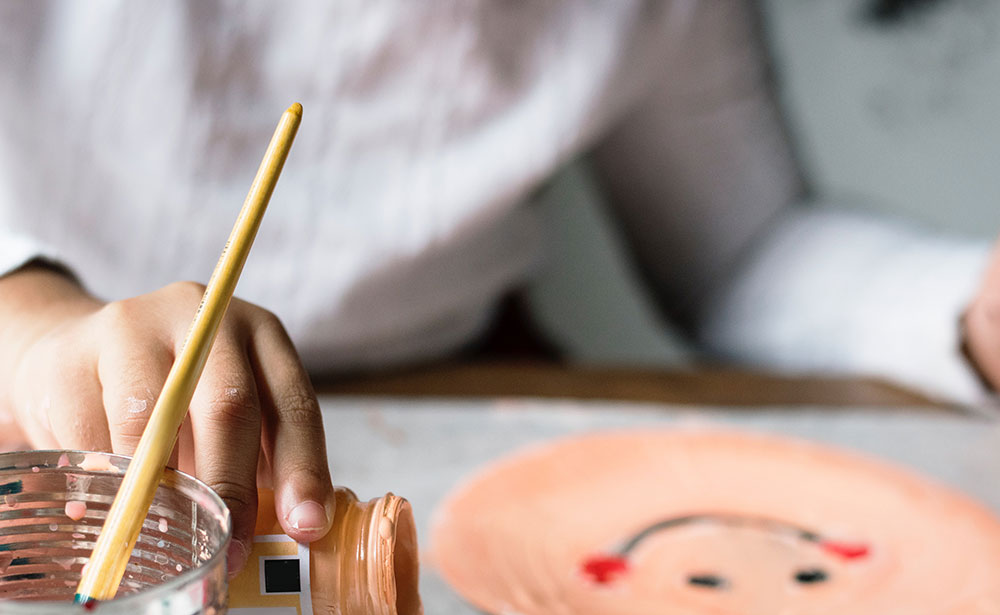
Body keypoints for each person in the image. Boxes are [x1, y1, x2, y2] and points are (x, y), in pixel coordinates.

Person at [0, 0, 996, 576]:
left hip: (457, 392)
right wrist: (36, 322)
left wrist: (966, 307)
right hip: (55, 412)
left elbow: (746, 247)